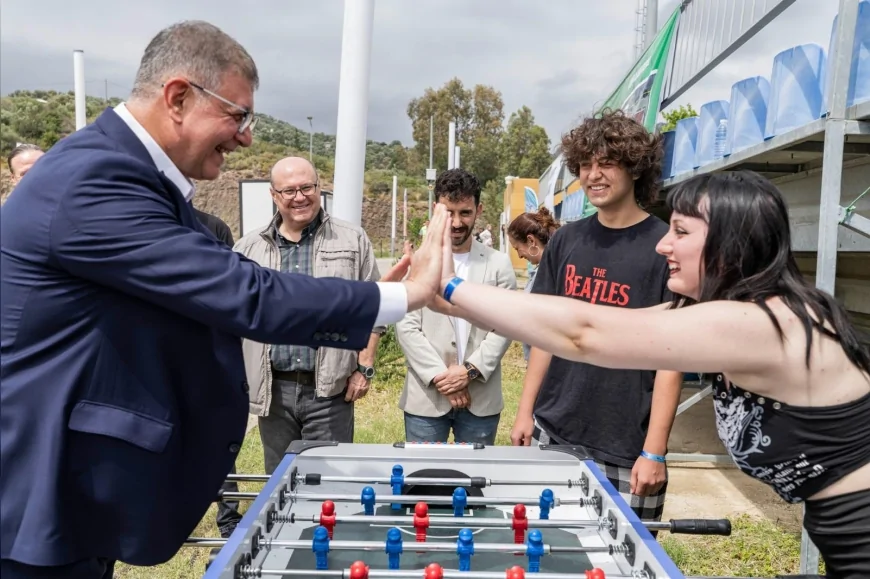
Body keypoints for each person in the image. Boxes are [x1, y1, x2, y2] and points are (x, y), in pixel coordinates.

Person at [0, 20, 448, 579]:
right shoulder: (96, 180)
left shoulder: (125, 175)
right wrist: (404, 295)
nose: (246, 137)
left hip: (73, 496)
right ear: (179, 97)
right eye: (238, 115)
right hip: (36, 497)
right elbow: (244, 292)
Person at [432, 170, 870, 577]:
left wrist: (453, 286)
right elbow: (571, 318)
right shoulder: (733, 310)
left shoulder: (761, 322)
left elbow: (587, 334)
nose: (663, 245)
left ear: (730, 243)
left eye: (680, 232)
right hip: (842, 536)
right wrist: (447, 298)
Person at [511, 110, 683, 523]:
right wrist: (525, 412)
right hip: (554, 430)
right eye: (586, 164)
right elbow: (545, 333)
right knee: (546, 551)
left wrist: (654, 449)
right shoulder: (566, 241)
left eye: (607, 162)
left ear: (635, 167)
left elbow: (672, 358)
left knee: (622, 562)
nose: (593, 174)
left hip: (626, 445)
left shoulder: (664, 246)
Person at [234, 156, 385, 474]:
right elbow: (233, 316)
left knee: (330, 484)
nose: (300, 197)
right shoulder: (248, 250)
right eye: (289, 190)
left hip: (330, 392)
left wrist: (364, 368)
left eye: (307, 187)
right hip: (274, 393)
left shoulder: (352, 241)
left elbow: (377, 307)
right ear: (274, 195)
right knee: (280, 484)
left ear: (319, 188)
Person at [396, 168, 517, 445]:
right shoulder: (418, 261)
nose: (457, 222)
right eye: (449, 212)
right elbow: (407, 327)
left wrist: (469, 371)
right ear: (436, 209)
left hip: (480, 398)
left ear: (479, 209)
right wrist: (442, 377)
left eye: (465, 212)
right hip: (427, 400)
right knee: (423, 483)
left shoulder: (498, 264)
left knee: (474, 483)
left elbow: (506, 325)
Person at [506, 207, 560, 361]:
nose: (519, 255)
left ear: (531, 240)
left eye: (518, 248)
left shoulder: (549, 274)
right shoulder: (544, 270)